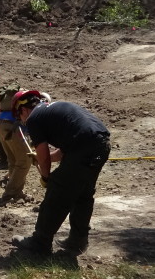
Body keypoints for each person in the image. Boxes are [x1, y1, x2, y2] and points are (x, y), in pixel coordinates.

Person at [9, 91, 111, 256]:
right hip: (101, 144)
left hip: (83, 146)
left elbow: (44, 155)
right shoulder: (53, 110)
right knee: (82, 193)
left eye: (18, 116)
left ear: (24, 110)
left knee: (57, 190)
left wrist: (46, 177)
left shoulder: (34, 118)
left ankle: (40, 243)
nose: (21, 121)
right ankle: (78, 240)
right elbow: (64, 150)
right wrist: (41, 157)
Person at [0, 85, 32, 202]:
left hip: (1, 124)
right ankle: (11, 193)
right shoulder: (31, 100)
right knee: (25, 161)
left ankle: (17, 192)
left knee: (13, 160)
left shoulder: (10, 98)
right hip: (13, 127)